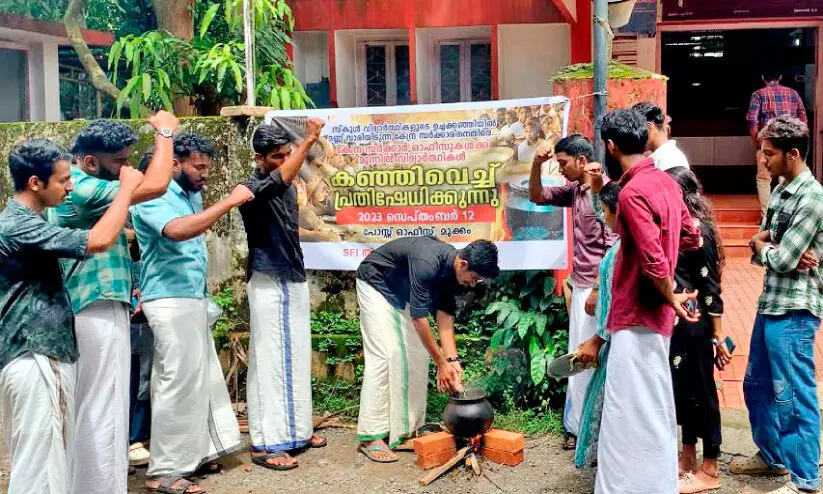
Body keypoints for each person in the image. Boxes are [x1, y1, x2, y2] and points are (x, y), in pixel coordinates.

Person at [0, 139, 142, 494]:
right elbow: (97, 240)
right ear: (36, 183)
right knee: (40, 466)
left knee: (48, 459)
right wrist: (125, 190)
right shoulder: (16, 224)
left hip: (42, 352)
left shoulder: (30, 220)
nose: (70, 186)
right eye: (63, 180)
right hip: (34, 353)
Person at [47, 112, 178, 494]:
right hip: (93, 305)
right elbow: (156, 184)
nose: (125, 169)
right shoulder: (84, 187)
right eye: (119, 161)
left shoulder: (87, 183)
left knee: (105, 402)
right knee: (101, 403)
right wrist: (165, 133)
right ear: (90, 161)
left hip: (103, 302)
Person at [585, 108, 701, 494]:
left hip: (636, 314)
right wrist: (671, 295)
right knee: (653, 406)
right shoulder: (667, 184)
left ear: (611, 146)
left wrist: (670, 295)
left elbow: (652, 259)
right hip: (653, 318)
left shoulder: (632, 192)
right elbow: (691, 236)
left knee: (627, 412)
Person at [131, 132, 253, 494]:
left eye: (207, 167)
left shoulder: (189, 193)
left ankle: (195, 454)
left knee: (197, 381)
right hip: (167, 299)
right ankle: (163, 471)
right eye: (198, 166)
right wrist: (229, 202)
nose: (204, 174)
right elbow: (178, 231)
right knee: (175, 384)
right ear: (173, 164)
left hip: (190, 298)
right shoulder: (151, 195)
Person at [734, 116, 823, 494]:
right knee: (756, 386)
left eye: (769, 153)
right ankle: (774, 458)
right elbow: (763, 248)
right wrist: (768, 246)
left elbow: (782, 258)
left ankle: (806, 479)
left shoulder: (812, 196)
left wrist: (771, 247)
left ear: (793, 153)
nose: (762, 160)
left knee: (793, 393)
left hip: (796, 309)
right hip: (770, 301)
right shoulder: (781, 191)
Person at [355, 237, 499, 462]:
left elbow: (444, 318)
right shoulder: (427, 263)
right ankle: (371, 435)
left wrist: (452, 361)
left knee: (418, 356)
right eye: (474, 278)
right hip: (376, 283)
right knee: (385, 355)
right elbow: (419, 318)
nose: (474, 284)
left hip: (401, 294)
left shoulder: (454, 273)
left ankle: (406, 430)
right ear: (463, 264)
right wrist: (440, 362)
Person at [239, 120, 327, 471]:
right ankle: (266, 443)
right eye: (277, 156)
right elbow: (278, 180)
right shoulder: (250, 187)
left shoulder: (289, 185)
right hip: (267, 276)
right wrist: (308, 140)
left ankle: (296, 432)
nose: (284, 161)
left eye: (287, 155)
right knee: (270, 360)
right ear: (259, 158)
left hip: (292, 274)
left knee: (295, 356)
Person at [528, 134, 617, 450]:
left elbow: (611, 243)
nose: (560, 169)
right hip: (580, 286)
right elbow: (537, 196)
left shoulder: (602, 190)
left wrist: (596, 289)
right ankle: (577, 427)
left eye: (563, 163)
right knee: (579, 355)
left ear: (582, 161)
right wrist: (537, 164)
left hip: (596, 290)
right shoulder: (575, 189)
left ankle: (591, 429)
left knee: (590, 356)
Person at [665, 166, 732, 494]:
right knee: (684, 391)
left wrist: (718, 336)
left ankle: (711, 467)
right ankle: (688, 456)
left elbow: (710, 287)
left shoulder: (696, 229)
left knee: (703, 393)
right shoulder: (676, 226)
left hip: (696, 325)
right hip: (679, 323)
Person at [574, 180, 622, 470]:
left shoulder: (625, 249)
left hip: (616, 340)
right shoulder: (619, 242)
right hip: (608, 338)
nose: (602, 216)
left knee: (612, 405)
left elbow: (620, 301)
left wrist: (599, 339)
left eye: (605, 211)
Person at [746, 69, 808, 219]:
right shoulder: (793, 93)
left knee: (763, 180)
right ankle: (787, 216)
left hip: (768, 143)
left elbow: (752, 121)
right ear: (780, 76)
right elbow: (803, 118)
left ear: (763, 77)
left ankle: (767, 217)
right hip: (791, 143)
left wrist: (758, 141)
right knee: (788, 177)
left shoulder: (758, 94)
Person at [632, 102, 690, 171]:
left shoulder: (670, 159)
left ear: (649, 127)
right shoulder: (663, 155)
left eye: (637, 131)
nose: (636, 137)